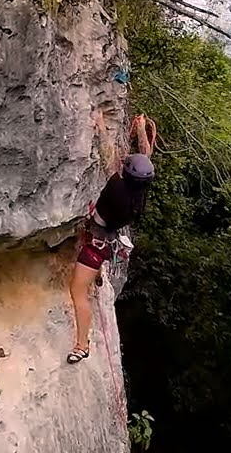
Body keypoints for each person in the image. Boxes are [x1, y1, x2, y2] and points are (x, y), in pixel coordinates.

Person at [67, 113, 156, 364]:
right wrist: (140, 128)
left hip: (95, 246)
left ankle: (81, 345)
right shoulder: (139, 192)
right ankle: (97, 275)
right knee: (92, 268)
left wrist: (100, 124)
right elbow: (145, 155)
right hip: (108, 240)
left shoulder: (117, 189)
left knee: (77, 291)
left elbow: (109, 156)